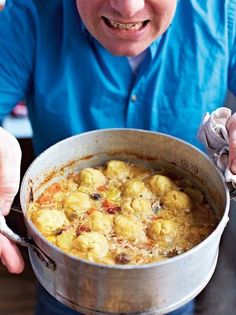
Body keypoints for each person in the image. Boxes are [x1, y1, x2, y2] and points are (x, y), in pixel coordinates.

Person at [0, 0, 236, 314]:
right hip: (64, 287)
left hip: (173, 290)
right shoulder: (29, 14)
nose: (129, 8)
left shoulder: (224, 14)